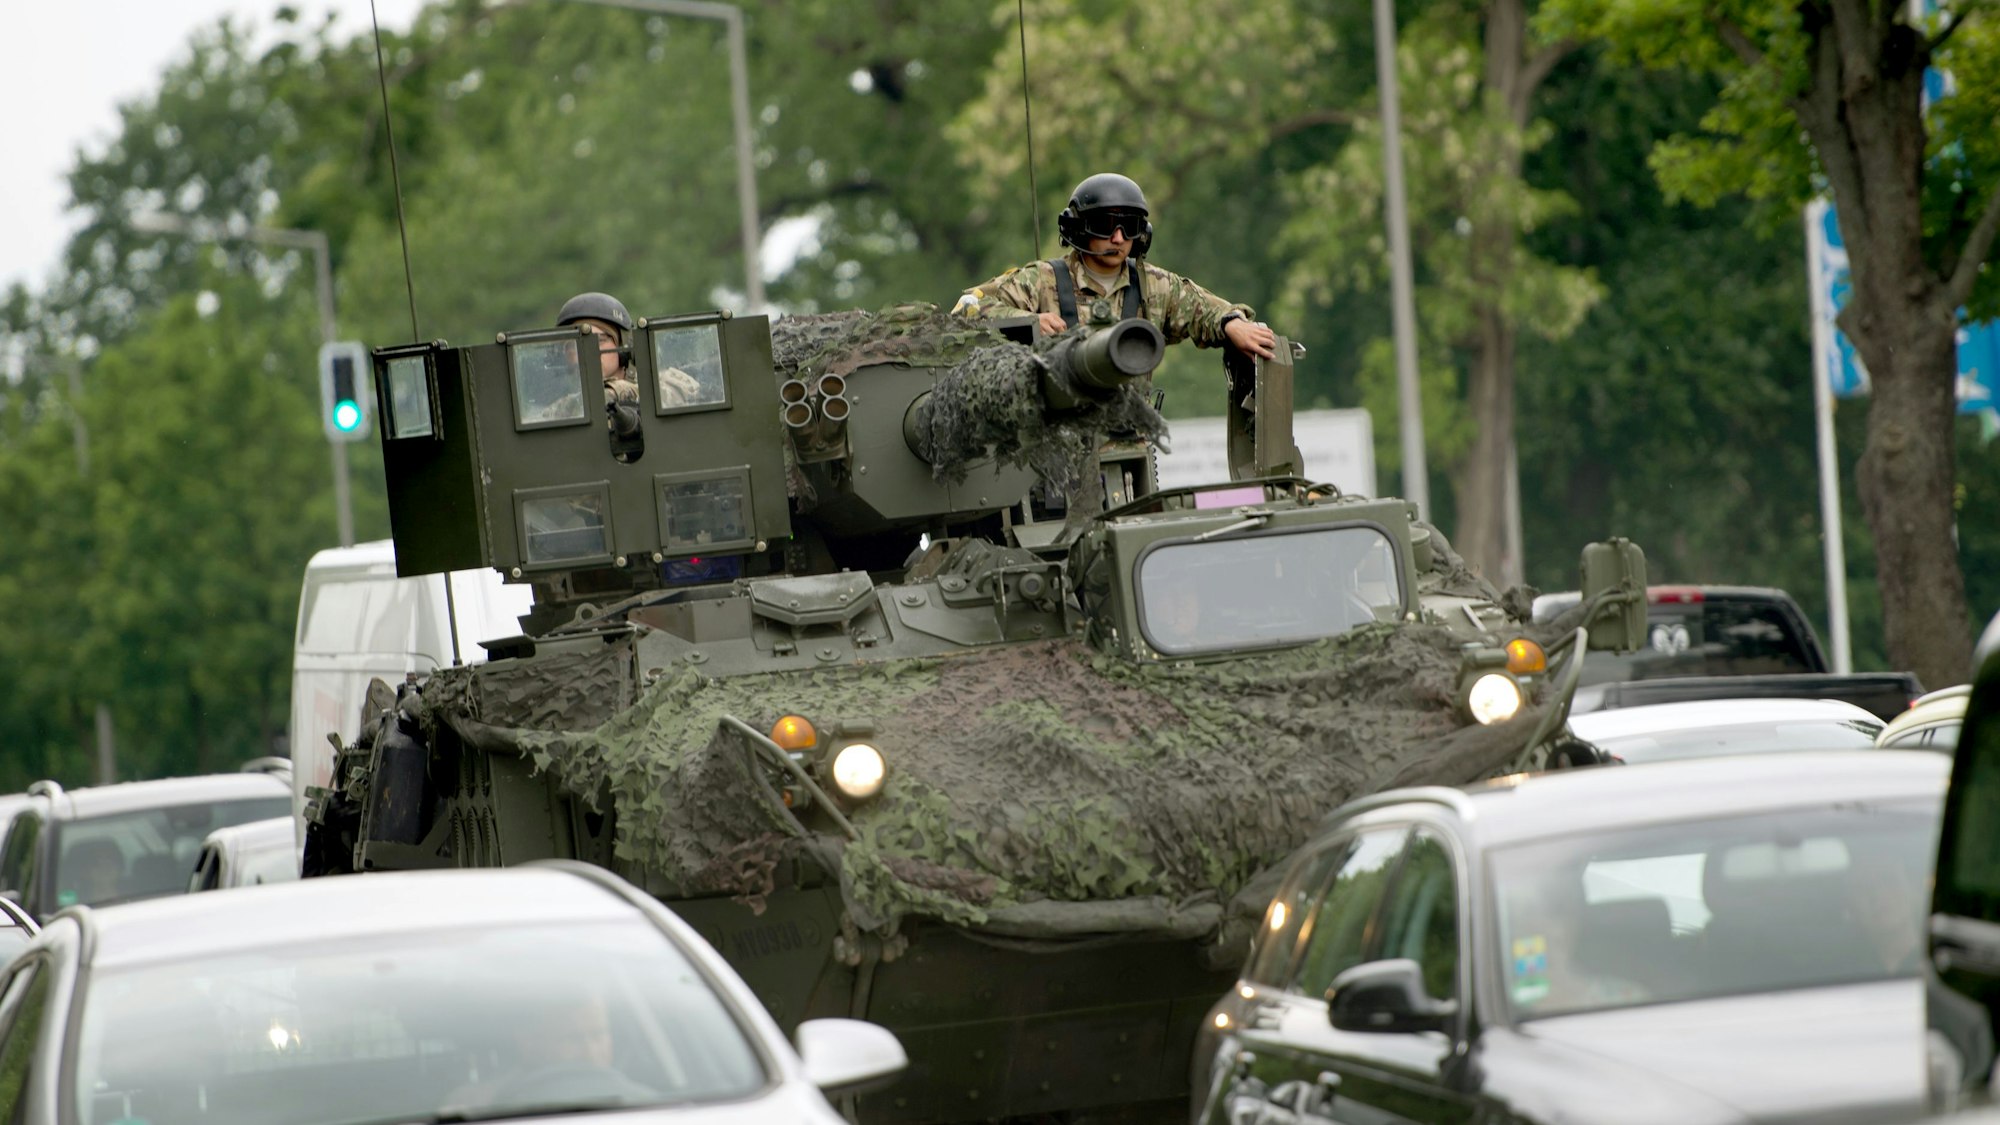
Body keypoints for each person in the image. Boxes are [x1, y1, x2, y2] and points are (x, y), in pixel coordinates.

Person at [953, 172, 1279, 361]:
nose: (1119, 237)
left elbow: (1206, 312)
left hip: (1128, 447)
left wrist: (1232, 324)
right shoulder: (1043, 279)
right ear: (1080, 228)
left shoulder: (1155, 287)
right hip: (1051, 446)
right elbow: (968, 308)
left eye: (1129, 225)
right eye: (1106, 224)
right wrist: (1028, 322)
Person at [554, 292, 701, 411]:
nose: (586, 352)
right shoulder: (568, 408)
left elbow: (684, 390)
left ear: (623, 345)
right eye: (573, 345)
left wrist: (616, 392)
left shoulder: (663, 383)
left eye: (599, 341)